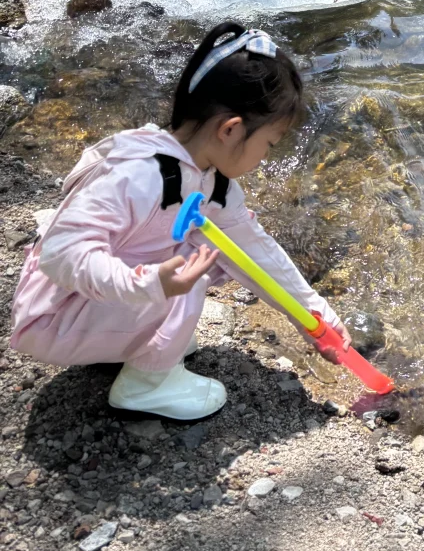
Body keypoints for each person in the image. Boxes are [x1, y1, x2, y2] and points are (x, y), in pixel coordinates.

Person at [9, 23, 351, 421]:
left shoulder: (210, 179)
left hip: (91, 305)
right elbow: (60, 254)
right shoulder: (140, 175)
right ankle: (146, 385)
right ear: (231, 129)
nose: (266, 158)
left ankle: (134, 341)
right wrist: (150, 285)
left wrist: (313, 316)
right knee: (198, 258)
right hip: (53, 318)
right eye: (268, 144)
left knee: (221, 249)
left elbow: (254, 251)